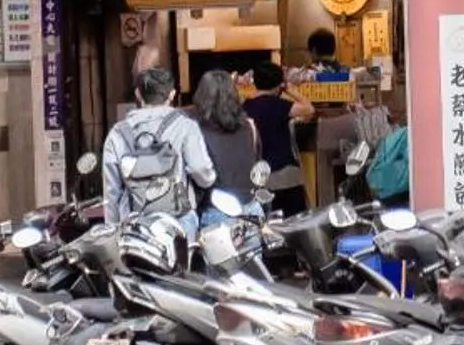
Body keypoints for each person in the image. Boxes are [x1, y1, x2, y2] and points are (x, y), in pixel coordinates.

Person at [102, 65, 215, 233]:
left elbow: (112, 192)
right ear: (172, 94)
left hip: (134, 226)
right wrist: (209, 179)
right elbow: (202, 172)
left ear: (138, 94)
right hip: (178, 222)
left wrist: (112, 229)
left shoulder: (118, 133)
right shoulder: (186, 126)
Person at [242, 63, 317, 216]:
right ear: (279, 84)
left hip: (257, 177)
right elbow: (309, 109)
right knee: (294, 223)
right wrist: (290, 89)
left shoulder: (245, 107)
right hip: (284, 175)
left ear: (255, 82)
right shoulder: (279, 105)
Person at [191, 70, 259, 224]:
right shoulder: (250, 126)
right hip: (252, 207)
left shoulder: (195, 130)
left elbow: (197, 169)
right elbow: (256, 160)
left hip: (216, 211)